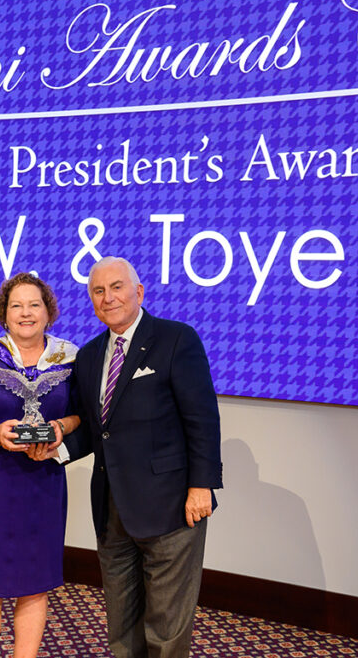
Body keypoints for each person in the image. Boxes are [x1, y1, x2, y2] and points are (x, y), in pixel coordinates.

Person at [33, 256, 223, 658]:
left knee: (167, 626)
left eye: (117, 287)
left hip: (172, 506)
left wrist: (201, 485)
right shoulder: (88, 355)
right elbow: (95, 427)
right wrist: (56, 448)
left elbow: (202, 418)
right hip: (111, 509)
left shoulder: (176, 339)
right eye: (98, 291)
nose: (108, 297)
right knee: (121, 624)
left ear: (139, 291)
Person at [0, 273, 80, 658]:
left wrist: (57, 428)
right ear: (4, 314)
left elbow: (81, 417)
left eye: (34, 304)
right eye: (16, 305)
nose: (26, 313)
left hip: (43, 483)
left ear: (48, 312)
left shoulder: (71, 357)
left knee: (35, 584)